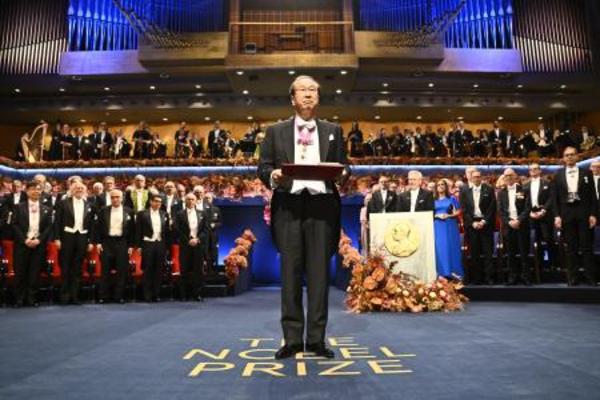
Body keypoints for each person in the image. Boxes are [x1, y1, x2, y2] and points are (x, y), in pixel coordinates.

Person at [258, 75, 349, 359]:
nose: (308, 94)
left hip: (322, 208)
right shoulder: (275, 131)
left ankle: (317, 340)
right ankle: (292, 340)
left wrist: (343, 174)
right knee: (290, 275)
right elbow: (263, 167)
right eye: (302, 90)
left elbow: (345, 167)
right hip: (289, 207)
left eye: (313, 90)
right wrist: (273, 175)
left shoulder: (334, 130)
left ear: (318, 97)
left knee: (320, 276)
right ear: (292, 98)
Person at [553, 147, 597, 286]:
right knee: (571, 248)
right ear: (563, 158)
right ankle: (573, 277)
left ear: (577, 156)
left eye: (572, 154)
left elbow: (593, 196)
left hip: (584, 213)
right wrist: (556, 216)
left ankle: (590, 276)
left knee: (586, 246)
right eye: (567, 155)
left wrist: (593, 214)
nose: (570, 157)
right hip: (566, 214)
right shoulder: (558, 175)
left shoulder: (587, 173)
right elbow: (554, 198)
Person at [12, 182, 53, 307]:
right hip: (22, 244)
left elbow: (48, 228)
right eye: (33, 189)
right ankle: (19, 299)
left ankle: (32, 299)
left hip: (38, 245)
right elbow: (14, 225)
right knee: (20, 272)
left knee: (34, 273)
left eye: (38, 189)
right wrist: (25, 240)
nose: (36, 191)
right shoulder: (18, 207)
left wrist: (39, 240)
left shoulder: (47, 209)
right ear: (27, 191)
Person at [54, 181, 94, 304]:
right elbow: (57, 222)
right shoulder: (63, 203)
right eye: (77, 188)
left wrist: (91, 241)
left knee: (78, 268)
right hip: (67, 237)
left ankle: (75, 296)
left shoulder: (89, 205)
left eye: (81, 188)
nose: (79, 190)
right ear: (71, 190)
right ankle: (64, 297)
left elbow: (92, 225)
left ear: (85, 190)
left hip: (82, 238)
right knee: (65, 267)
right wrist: (57, 238)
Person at [93, 189, 135, 303]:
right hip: (107, 242)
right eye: (112, 197)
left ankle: (119, 296)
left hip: (122, 242)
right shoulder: (103, 210)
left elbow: (132, 230)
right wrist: (98, 243)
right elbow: (97, 227)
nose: (115, 199)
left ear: (122, 198)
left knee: (121, 271)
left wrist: (131, 245)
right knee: (105, 270)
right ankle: (103, 296)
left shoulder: (129, 211)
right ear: (110, 198)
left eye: (117, 197)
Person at [460, 169, 496, 284]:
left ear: (481, 177)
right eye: (474, 177)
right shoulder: (464, 191)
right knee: (474, 253)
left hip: (486, 224)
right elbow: (464, 210)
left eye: (478, 176)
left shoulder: (489, 189)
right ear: (470, 178)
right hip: (472, 225)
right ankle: (477, 278)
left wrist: (484, 221)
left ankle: (489, 278)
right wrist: (472, 223)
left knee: (488, 253)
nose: (476, 178)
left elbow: (492, 208)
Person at [498, 169, 531, 285]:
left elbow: (528, 208)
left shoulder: (524, 190)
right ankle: (512, 277)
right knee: (510, 253)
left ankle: (526, 277)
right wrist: (509, 222)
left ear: (515, 176)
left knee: (524, 252)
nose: (508, 177)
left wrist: (519, 220)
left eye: (510, 175)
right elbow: (500, 211)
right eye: (506, 175)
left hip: (522, 225)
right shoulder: (501, 193)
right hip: (508, 226)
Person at [174, 193, 209, 301]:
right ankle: (184, 295)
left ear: (196, 201)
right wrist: (188, 240)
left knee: (198, 270)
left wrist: (197, 239)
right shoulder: (179, 214)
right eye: (188, 199)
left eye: (192, 199)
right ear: (185, 201)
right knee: (184, 270)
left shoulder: (202, 213)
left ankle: (197, 294)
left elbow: (205, 230)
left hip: (198, 245)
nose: (190, 201)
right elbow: (177, 229)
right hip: (185, 245)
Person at [524, 163, 556, 276]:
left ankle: (552, 264)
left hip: (545, 215)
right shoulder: (525, 185)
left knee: (548, 239)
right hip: (531, 216)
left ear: (540, 170)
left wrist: (544, 210)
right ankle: (539, 265)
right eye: (531, 169)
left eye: (535, 169)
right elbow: (524, 202)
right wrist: (530, 212)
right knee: (535, 241)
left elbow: (551, 199)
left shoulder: (547, 183)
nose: (533, 171)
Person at [136, 194, 169, 301]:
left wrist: (166, 246)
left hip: (160, 244)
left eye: (160, 202)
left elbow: (166, 231)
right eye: (156, 201)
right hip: (147, 243)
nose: (158, 203)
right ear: (150, 202)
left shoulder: (164, 214)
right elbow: (138, 231)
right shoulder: (142, 214)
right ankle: (147, 295)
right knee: (148, 269)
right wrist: (139, 246)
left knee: (159, 270)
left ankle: (156, 294)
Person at [433, 179, 463, 279]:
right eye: (438, 185)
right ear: (436, 187)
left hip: (450, 224)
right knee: (440, 248)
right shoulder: (433, 200)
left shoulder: (452, 198)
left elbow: (459, 211)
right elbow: (430, 213)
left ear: (446, 187)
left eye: (442, 184)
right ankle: (441, 273)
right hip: (437, 225)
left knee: (451, 246)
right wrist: (436, 216)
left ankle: (454, 272)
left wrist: (449, 215)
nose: (440, 186)